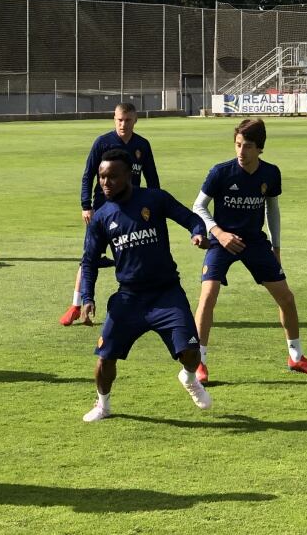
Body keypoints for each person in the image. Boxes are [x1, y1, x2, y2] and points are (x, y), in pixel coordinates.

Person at [80, 149, 211, 422]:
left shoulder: (154, 198)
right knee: (105, 359)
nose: (105, 182)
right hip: (129, 299)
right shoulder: (102, 217)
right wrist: (87, 296)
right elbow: (89, 261)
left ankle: (188, 377)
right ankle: (103, 405)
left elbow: (191, 219)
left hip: (166, 293)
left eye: (112, 177)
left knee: (191, 352)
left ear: (129, 175)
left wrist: (198, 233)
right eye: (102, 177)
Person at [190, 118, 307, 383]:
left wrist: (276, 246)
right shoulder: (220, 172)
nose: (241, 152)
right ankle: (198, 362)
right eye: (238, 145)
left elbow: (272, 209)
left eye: (248, 146)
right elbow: (198, 206)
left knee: (286, 297)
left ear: (260, 148)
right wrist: (219, 233)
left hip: (255, 243)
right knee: (207, 296)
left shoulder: (271, 174)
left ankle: (296, 357)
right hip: (222, 242)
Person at [61, 103, 160, 326]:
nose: (122, 125)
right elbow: (88, 176)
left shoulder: (142, 146)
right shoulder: (102, 143)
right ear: (113, 119)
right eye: (119, 120)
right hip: (102, 212)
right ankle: (77, 305)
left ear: (135, 121)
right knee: (89, 257)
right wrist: (86, 206)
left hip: (131, 213)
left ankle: (140, 304)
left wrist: (153, 206)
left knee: (135, 257)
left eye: (127, 120)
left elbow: (152, 179)